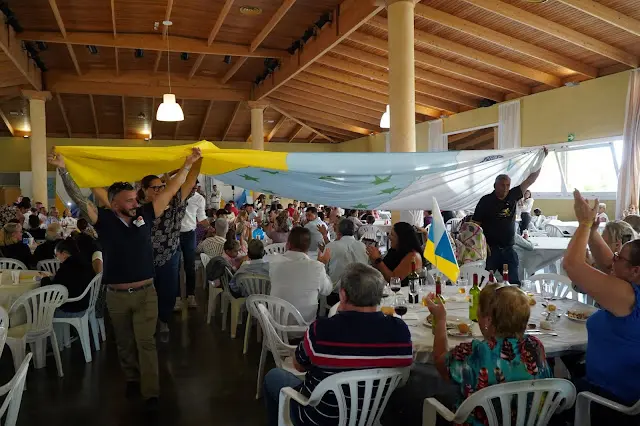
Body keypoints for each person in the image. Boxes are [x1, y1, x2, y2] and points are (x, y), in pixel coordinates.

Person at [48, 146, 202, 411]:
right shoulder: (104, 220)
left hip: (146, 293)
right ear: (115, 203)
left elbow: (170, 190)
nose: (135, 203)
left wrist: (187, 165)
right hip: (116, 296)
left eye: (135, 199)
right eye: (129, 200)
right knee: (124, 343)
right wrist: (63, 170)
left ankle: (151, 393)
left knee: (146, 342)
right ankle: (131, 377)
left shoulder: (146, 215)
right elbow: (79, 198)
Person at [263, 263, 413, 426]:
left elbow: (299, 366)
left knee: (273, 376)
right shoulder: (400, 331)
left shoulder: (321, 330)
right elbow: (403, 375)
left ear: (343, 295)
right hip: (370, 416)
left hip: (319, 419)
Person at [563, 190, 640, 425]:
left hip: (609, 402)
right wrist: (593, 231)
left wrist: (584, 224)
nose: (612, 259)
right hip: (607, 387)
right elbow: (608, 264)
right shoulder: (630, 285)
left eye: (619, 257)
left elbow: (572, 265)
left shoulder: (627, 296)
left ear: (635, 271)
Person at [425, 284, 551, 425]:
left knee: (437, 397)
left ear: (488, 320)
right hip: (529, 422)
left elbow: (440, 362)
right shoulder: (535, 346)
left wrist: (440, 320)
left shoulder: (475, 352)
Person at [134, 158, 201, 336]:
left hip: (169, 256)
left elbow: (190, 180)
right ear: (144, 190)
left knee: (168, 292)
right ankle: (147, 324)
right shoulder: (139, 209)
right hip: (144, 258)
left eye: (161, 187)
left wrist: (198, 159)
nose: (159, 190)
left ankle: (163, 320)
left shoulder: (175, 203)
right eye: (154, 188)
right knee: (145, 295)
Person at [473, 158, 547, 285]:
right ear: (495, 185)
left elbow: (531, 180)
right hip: (491, 250)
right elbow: (475, 226)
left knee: (513, 284)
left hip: (509, 249)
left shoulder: (513, 195)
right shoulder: (485, 201)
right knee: (484, 284)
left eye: (508, 185)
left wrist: (541, 158)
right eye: (502, 185)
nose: (505, 188)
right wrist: (482, 245)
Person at [269, 227, 333, 323]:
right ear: (308, 247)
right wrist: (322, 264)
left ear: (288, 244)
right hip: (305, 326)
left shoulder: (274, 262)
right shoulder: (317, 267)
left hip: (275, 324)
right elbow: (327, 290)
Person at [41, 238, 95, 318]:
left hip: (71, 308)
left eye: (56, 255)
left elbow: (52, 294)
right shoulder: (85, 262)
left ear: (64, 253)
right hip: (85, 304)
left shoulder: (66, 268)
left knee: (38, 311)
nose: (56, 258)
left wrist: (45, 279)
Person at [179, 183, 209, 309]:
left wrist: (211, 227)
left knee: (190, 265)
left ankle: (191, 295)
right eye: (191, 188)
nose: (193, 190)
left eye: (195, 188)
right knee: (174, 266)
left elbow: (201, 217)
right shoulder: (176, 195)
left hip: (190, 233)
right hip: (174, 234)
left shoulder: (199, 199)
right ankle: (176, 297)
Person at [319, 219, 368, 284]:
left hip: (336, 288)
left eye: (336, 225)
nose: (333, 226)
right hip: (360, 287)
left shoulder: (331, 246)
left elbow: (323, 270)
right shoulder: (363, 246)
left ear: (339, 231)